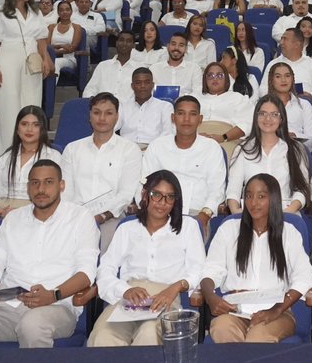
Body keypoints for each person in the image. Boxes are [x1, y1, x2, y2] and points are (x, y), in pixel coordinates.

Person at [0, 160, 99, 348]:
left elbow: (86, 273)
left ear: (62, 185)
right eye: (35, 183)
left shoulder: (81, 217)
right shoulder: (13, 219)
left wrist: (53, 295)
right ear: (28, 187)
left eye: (48, 182)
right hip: (9, 306)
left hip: (56, 307)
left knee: (32, 325)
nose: (40, 188)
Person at [87, 169, 205, 346]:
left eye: (169, 197)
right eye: (156, 194)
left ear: (176, 201)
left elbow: (199, 269)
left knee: (149, 333)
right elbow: (105, 269)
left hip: (166, 297)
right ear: (145, 194)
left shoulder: (188, 227)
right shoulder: (127, 228)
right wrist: (124, 289)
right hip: (129, 297)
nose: (162, 203)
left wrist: (175, 288)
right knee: (104, 335)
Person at [204, 174, 312, 343]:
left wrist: (277, 309)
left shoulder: (289, 232)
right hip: (236, 310)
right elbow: (211, 270)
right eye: (248, 196)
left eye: (261, 196)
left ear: (274, 199)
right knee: (221, 328)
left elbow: (304, 276)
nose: (253, 202)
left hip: (276, 312)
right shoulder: (228, 229)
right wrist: (210, 297)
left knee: (258, 337)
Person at [62, 93, 142, 253]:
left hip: (110, 218)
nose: (102, 118)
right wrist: (75, 217)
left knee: (103, 262)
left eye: (109, 113)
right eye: (97, 112)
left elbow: (125, 194)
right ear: (90, 116)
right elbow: (65, 191)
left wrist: (101, 216)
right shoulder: (72, 149)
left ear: (117, 117)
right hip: (74, 217)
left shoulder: (129, 149)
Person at [141, 96, 227, 232]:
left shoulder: (211, 148)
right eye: (181, 114)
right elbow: (144, 185)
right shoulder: (157, 146)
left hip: (197, 214)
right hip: (159, 212)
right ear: (173, 118)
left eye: (192, 114)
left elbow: (217, 189)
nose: (186, 119)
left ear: (200, 119)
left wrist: (204, 215)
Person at [0, 0, 53, 142]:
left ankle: (32, 146)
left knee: (32, 101)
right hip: (8, 56)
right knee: (9, 104)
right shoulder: (0, 11)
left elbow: (41, 38)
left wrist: (45, 59)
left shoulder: (35, 12)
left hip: (32, 58)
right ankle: (8, 150)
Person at [226, 96, 311, 214]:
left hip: (285, 214)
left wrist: (289, 211)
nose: (268, 119)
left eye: (274, 114)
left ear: (282, 119)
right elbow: (233, 190)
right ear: (256, 117)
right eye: (263, 114)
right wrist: (236, 213)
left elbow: (301, 189)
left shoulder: (295, 149)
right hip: (250, 215)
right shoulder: (243, 149)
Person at [0, 106, 62, 216]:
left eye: (36, 125)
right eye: (24, 124)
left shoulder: (54, 157)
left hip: (38, 211)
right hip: (1, 212)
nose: (29, 129)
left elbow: (57, 196)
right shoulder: (5, 158)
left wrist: (20, 213)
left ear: (43, 130)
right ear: (17, 130)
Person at [198, 60, 255, 158]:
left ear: (227, 79)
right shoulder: (194, 98)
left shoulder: (238, 98)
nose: (214, 78)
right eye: (210, 75)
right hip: (197, 143)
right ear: (205, 80)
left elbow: (248, 124)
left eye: (220, 75)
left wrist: (223, 137)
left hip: (228, 143)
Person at [115, 68, 174, 148]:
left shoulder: (165, 106)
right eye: (138, 83)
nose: (142, 86)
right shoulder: (123, 106)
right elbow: (111, 127)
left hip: (155, 150)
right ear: (132, 86)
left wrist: (151, 148)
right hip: (126, 150)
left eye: (146, 82)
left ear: (152, 85)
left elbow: (168, 133)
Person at [265, 61, 312, 149]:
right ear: (271, 80)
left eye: (287, 76)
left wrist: (295, 137)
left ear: (293, 79)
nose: (283, 80)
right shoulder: (264, 106)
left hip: (296, 150)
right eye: (278, 76)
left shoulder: (304, 105)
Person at [264, 27, 312, 100]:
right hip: (278, 105)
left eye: (285, 39)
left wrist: (311, 95)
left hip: (305, 105)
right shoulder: (273, 64)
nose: (281, 42)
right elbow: (263, 89)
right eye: (281, 39)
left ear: (297, 44)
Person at [84, 31, 138, 99]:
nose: (124, 43)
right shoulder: (103, 66)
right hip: (102, 107)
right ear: (116, 43)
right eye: (121, 40)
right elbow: (89, 90)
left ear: (133, 45)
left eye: (129, 41)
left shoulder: (138, 69)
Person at [150, 32, 204, 96]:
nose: (176, 48)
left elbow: (197, 94)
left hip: (185, 105)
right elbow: (150, 93)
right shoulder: (154, 69)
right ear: (168, 46)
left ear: (186, 49)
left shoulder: (194, 69)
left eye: (181, 45)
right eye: (173, 44)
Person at [47, 1, 84, 76]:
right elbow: (47, 46)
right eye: (61, 10)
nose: (65, 12)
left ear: (71, 11)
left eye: (67, 10)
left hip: (69, 59)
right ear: (58, 12)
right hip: (50, 56)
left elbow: (71, 49)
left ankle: (51, 87)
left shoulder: (77, 27)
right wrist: (61, 46)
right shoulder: (51, 27)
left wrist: (53, 50)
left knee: (56, 62)